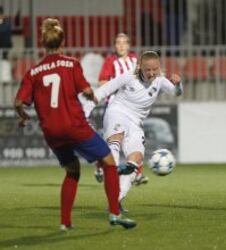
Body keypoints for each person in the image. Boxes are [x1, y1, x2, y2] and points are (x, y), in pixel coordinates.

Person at [14, 18, 136, 231]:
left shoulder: (33, 72)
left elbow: (18, 103)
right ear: (62, 42)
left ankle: (65, 222)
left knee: (72, 170)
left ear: (43, 43)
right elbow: (87, 90)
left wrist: (23, 117)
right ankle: (115, 214)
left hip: (51, 132)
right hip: (73, 125)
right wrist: (91, 96)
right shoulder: (71, 63)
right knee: (109, 161)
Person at [83, 50, 183, 212]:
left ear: (159, 68)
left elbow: (176, 93)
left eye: (154, 69)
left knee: (135, 161)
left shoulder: (160, 81)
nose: (151, 73)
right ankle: (109, 168)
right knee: (114, 143)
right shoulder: (128, 77)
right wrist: (85, 111)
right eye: (147, 70)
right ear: (139, 68)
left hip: (136, 123)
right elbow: (103, 91)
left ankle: (116, 201)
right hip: (117, 112)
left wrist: (178, 84)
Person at [95, 33, 150, 187]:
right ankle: (103, 167)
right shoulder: (110, 61)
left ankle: (136, 173)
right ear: (114, 45)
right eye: (118, 43)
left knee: (135, 139)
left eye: (124, 42)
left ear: (129, 45)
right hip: (114, 106)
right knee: (113, 142)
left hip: (132, 108)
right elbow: (101, 82)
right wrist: (119, 83)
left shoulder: (136, 60)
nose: (121, 46)